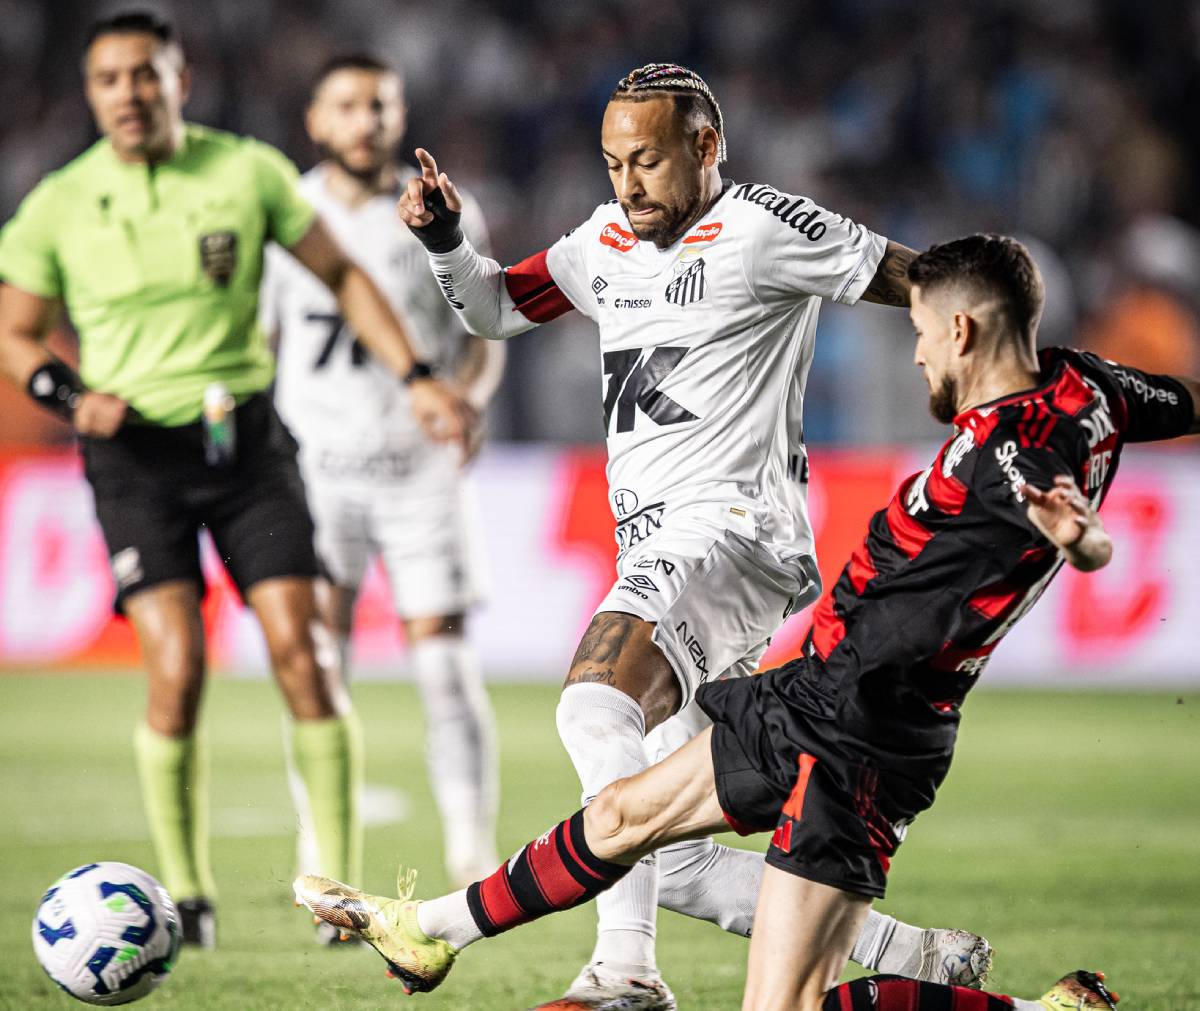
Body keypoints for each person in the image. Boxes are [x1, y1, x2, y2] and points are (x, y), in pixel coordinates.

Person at [297, 233, 1197, 1009]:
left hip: (867, 739)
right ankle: (426, 931)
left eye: (922, 333)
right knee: (619, 816)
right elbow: (1181, 400)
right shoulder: (1094, 385)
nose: (918, 354)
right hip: (818, 692)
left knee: (785, 1002)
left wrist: (1079, 534)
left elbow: (1063, 510)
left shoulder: (1014, 446)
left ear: (960, 329)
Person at [388, 62, 989, 1007]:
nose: (628, 185)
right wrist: (445, 242)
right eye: (613, 163)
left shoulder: (763, 228)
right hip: (667, 544)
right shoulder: (601, 239)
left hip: (731, 529)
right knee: (659, 837)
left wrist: (1003, 348)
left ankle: (624, 974)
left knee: (594, 704)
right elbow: (497, 307)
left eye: (650, 161)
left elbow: (918, 280)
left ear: (707, 147)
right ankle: (924, 957)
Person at [0, 12, 474, 948]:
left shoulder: (246, 173)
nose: (129, 92)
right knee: (176, 668)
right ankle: (188, 892)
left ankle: (336, 894)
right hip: (134, 454)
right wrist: (66, 393)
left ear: (180, 80)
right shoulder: (57, 202)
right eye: (109, 79)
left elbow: (341, 277)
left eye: (147, 74)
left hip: (246, 445)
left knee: (308, 651)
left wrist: (419, 377)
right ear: (91, 93)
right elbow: (15, 333)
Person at [261, 53, 503, 893]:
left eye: (381, 105)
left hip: (416, 470)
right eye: (348, 105)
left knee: (442, 657)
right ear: (316, 121)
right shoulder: (283, 211)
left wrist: (465, 402)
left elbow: (485, 327)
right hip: (316, 471)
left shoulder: (437, 211)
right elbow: (258, 343)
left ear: (399, 117)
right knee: (316, 661)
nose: (367, 119)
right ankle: (321, 860)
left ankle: (471, 852)